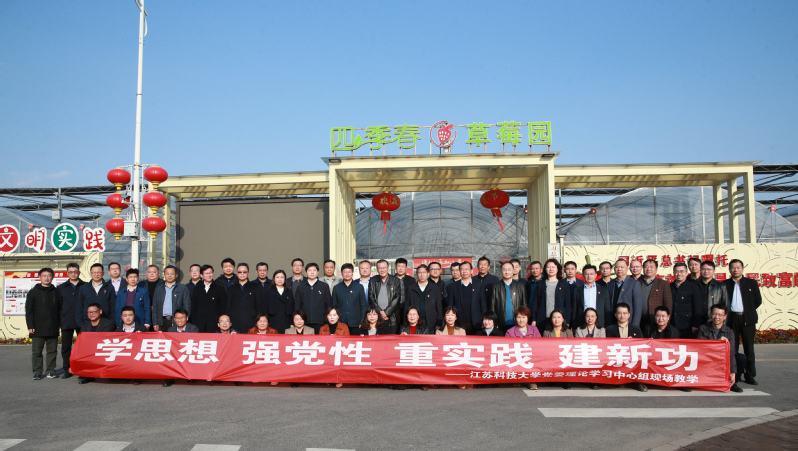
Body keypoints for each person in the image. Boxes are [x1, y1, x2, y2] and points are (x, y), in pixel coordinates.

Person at [725, 259, 762, 386]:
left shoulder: (751, 283)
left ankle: (750, 375)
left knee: (749, 348)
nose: (735, 270)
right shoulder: (725, 284)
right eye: (733, 267)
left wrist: (748, 311)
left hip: (747, 319)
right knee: (732, 348)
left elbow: (757, 301)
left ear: (742, 269)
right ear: (729, 269)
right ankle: (735, 374)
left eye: (738, 267)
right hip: (731, 319)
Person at [696, 304, 744, 393]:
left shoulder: (729, 332)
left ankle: (732, 383)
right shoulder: (703, 328)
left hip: (722, 360)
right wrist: (718, 343)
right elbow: (701, 348)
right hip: (707, 359)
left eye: (720, 315)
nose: (717, 317)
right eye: (714, 314)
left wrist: (733, 372)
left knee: (741, 358)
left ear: (725, 317)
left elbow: (731, 352)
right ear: (710, 315)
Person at [26, 267, 60, 381]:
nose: (46, 278)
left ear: (52, 277)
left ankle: (50, 370)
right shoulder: (33, 292)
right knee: (37, 351)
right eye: (44, 275)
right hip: (37, 327)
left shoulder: (56, 292)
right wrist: (30, 326)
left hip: (53, 326)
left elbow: (60, 309)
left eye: (49, 275)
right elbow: (29, 311)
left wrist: (59, 324)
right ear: (40, 277)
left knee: (52, 351)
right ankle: (37, 372)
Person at [606, 303, 646, 392]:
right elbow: (608, 346)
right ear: (615, 315)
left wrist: (633, 342)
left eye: (625, 313)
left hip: (632, 357)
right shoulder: (609, 329)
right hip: (616, 356)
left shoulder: (636, 329)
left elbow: (641, 346)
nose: (622, 316)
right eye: (619, 313)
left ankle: (638, 383)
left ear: (629, 315)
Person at [76, 302, 116, 384]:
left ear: (100, 311)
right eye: (89, 312)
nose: (91, 314)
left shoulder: (108, 324)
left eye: (94, 312)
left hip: (103, 350)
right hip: (89, 351)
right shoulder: (84, 327)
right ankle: (87, 374)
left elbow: (104, 340)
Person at [56, 262, 84, 379]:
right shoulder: (61, 288)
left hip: (81, 321)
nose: (73, 274)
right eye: (70, 272)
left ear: (79, 272)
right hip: (66, 321)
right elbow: (58, 307)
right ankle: (67, 369)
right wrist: (59, 322)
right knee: (66, 347)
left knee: (82, 347)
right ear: (67, 273)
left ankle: (82, 370)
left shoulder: (85, 286)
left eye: (75, 272)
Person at [531, 259, 571, 335]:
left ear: (557, 269)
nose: (551, 269)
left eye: (553, 267)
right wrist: (534, 319)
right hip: (543, 318)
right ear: (545, 269)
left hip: (558, 320)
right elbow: (536, 303)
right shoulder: (541, 284)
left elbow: (567, 304)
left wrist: (567, 320)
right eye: (548, 267)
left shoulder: (563, 284)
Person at [447, 261, 485, 334]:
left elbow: (483, 304)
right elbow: (450, 305)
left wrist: (484, 319)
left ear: (471, 271)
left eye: (467, 269)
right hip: (459, 322)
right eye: (462, 269)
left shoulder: (478, 285)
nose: (464, 271)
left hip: (476, 322)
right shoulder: (453, 286)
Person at [152, 265, 191, 332]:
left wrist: (184, 320)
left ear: (176, 275)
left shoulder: (183, 288)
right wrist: (155, 322)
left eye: (172, 274)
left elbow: (187, 306)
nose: (169, 276)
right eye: (167, 274)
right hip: (161, 322)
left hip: (176, 321)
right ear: (164, 275)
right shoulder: (159, 288)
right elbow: (155, 307)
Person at [490, 261, 528, 332]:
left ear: (513, 271)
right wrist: (494, 321)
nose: (507, 272)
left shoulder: (520, 286)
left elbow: (524, 305)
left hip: (517, 323)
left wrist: (524, 320)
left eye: (509, 269)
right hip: (501, 324)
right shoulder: (496, 287)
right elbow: (492, 306)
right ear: (501, 271)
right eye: (504, 270)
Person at [295, 262, 332, 333]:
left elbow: (328, 304)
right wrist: (299, 319)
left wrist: (326, 319)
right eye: (309, 270)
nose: (312, 272)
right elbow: (297, 304)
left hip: (320, 322)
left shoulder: (324, 286)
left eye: (314, 270)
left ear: (317, 272)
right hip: (304, 322)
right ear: (306, 272)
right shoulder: (301, 287)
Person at [571, 265, 612, 329]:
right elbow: (574, 309)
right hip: (582, 323)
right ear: (583, 275)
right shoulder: (577, 290)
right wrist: (573, 326)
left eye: (591, 274)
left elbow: (607, 309)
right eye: (586, 274)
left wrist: (608, 325)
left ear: (595, 275)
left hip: (599, 323)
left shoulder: (603, 290)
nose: (589, 276)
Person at [368, 259, 403, 334]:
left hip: (392, 317)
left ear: (388, 268)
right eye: (380, 268)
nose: (382, 270)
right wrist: (379, 313)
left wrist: (386, 313)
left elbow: (397, 298)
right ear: (377, 269)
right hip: (377, 317)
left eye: (384, 267)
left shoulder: (395, 280)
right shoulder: (373, 280)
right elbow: (371, 297)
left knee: (391, 339)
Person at [670, 262, 704, 338]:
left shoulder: (693, 287)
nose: (679, 274)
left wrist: (695, 324)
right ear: (673, 273)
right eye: (676, 271)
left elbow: (698, 307)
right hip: (672, 325)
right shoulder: (669, 286)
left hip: (688, 326)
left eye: (682, 271)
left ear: (686, 273)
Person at [638, 259, 673, 331]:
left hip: (656, 320)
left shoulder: (663, 284)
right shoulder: (637, 282)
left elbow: (668, 304)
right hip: (639, 320)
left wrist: (666, 322)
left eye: (651, 267)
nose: (648, 269)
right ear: (643, 269)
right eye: (646, 267)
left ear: (656, 269)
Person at [332, 263, 368, 331]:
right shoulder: (336, 288)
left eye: (349, 272)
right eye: (345, 272)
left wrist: (362, 321)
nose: (347, 274)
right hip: (341, 322)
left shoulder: (359, 287)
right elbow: (334, 306)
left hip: (356, 323)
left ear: (352, 273)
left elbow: (363, 306)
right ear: (341, 274)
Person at [190, 265, 226, 333]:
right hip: (199, 324)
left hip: (214, 324)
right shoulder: (197, 288)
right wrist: (194, 323)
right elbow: (194, 307)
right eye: (206, 273)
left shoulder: (220, 288)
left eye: (211, 273)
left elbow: (223, 307)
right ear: (201, 275)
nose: (209, 275)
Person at [225, 263, 260, 333]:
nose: (242, 274)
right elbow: (228, 307)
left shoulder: (255, 287)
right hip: (234, 325)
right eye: (240, 272)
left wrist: (257, 322)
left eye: (244, 272)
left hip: (251, 324)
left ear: (248, 273)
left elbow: (259, 306)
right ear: (237, 274)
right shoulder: (232, 288)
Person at [406, 264, 442, 329]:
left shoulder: (435, 288)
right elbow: (407, 306)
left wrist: (439, 321)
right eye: (420, 273)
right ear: (417, 274)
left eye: (424, 272)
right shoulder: (411, 289)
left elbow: (439, 306)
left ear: (428, 274)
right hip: (415, 322)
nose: (422, 275)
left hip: (431, 322)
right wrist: (406, 322)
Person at [608, 259, 643, 327]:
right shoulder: (610, 284)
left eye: (622, 267)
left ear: (627, 269)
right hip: (613, 321)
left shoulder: (634, 283)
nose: (619, 269)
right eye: (617, 267)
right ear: (614, 269)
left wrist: (635, 325)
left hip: (628, 322)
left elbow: (638, 307)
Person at [266, 270, 293, 335]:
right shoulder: (269, 292)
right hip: (273, 320)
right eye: (277, 277)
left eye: (282, 277)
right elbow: (265, 309)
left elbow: (292, 308)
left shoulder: (289, 292)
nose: (279, 279)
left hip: (286, 320)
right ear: (274, 279)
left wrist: (292, 323)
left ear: (285, 279)